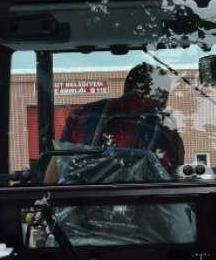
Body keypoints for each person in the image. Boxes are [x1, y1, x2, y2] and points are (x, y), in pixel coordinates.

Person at [45, 62, 185, 184]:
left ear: (126, 88)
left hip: (79, 205)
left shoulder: (81, 115)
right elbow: (172, 183)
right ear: (162, 96)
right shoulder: (166, 129)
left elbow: (51, 179)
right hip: (141, 205)